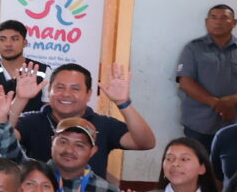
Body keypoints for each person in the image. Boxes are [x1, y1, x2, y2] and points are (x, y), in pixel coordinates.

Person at [13, 65, 154, 175]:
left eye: (75, 89)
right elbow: (3, 137)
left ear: (88, 94)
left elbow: (145, 143)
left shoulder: (104, 124)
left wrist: (123, 103)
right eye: (60, 87)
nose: (66, 94)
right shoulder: (31, 120)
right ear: (49, 90)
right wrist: (20, 99)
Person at [173, 4, 237, 149]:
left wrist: (233, 100)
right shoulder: (193, 48)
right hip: (199, 123)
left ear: (234, 23)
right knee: (200, 161)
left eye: (224, 18)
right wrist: (218, 104)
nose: (218, 22)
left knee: (232, 162)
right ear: (206, 22)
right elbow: (186, 83)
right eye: (213, 18)